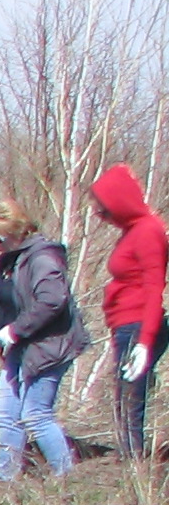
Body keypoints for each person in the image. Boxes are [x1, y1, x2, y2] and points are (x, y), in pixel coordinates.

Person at [0, 200, 82, 482]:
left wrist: (15, 330)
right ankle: (6, 478)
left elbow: (52, 301)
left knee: (36, 415)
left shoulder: (43, 258)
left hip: (49, 347)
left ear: (17, 232)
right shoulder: (7, 261)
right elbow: (2, 305)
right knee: (6, 414)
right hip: (19, 346)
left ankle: (65, 479)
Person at [92, 164, 164, 462]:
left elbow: (154, 287)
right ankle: (131, 460)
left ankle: (135, 468)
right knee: (123, 400)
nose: (100, 215)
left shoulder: (148, 231)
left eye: (104, 208)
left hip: (137, 326)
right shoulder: (131, 232)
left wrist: (145, 343)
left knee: (129, 402)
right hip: (124, 325)